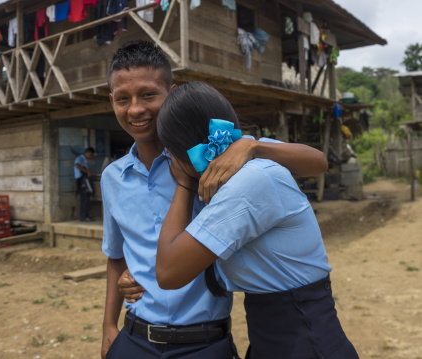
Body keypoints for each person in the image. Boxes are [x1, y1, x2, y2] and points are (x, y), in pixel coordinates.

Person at [100, 40, 328, 359]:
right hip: (135, 334)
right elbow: (116, 253)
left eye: (148, 94)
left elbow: (316, 162)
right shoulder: (112, 178)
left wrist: (252, 146)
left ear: (172, 92)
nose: (135, 109)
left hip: (205, 339)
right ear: (112, 102)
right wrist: (109, 324)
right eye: (123, 99)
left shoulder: (215, 161)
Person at [155, 81, 358, 359]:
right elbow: (320, 163)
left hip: (302, 341)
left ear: (179, 152)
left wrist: (183, 182)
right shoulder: (249, 161)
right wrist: (254, 146)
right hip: (282, 334)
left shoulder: (251, 178)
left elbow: (168, 273)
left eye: (168, 151)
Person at [74, 147, 95, 222]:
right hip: (81, 180)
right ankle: (83, 216)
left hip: (84, 180)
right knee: (84, 198)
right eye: (90, 155)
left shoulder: (85, 160)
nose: (90, 157)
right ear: (88, 153)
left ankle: (86, 215)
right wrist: (87, 171)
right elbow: (77, 166)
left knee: (86, 198)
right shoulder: (80, 158)